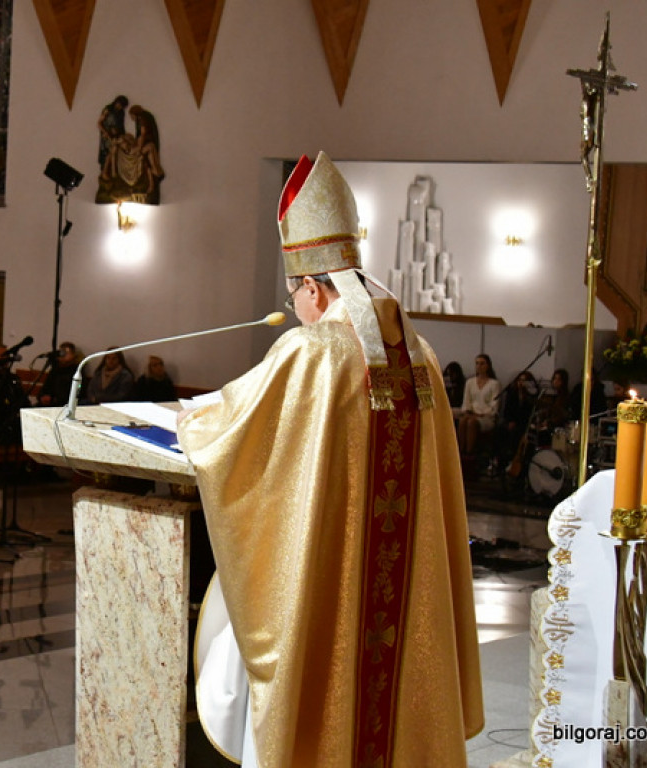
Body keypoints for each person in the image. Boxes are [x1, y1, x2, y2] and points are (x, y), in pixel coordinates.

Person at [175, 152, 482, 767]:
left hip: (335, 577)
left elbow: (236, 437)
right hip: (394, 589)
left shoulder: (313, 352)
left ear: (313, 285)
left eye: (295, 294)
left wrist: (194, 418)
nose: (296, 306)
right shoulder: (418, 355)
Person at [457, 353, 500, 461]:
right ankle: (460, 452)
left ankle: (469, 453)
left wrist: (480, 414)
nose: (479, 366)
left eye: (482, 363)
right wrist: (468, 411)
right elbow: (466, 401)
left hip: (486, 417)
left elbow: (494, 406)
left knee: (472, 422)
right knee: (463, 421)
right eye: (477, 364)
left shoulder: (494, 384)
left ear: (488, 366)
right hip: (471, 413)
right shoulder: (470, 382)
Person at [38, 342, 79, 407]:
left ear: (73, 355)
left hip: (63, 406)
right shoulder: (55, 369)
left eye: (66, 353)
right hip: (47, 404)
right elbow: (45, 387)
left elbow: (74, 394)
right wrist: (42, 396)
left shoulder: (77, 372)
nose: (62, 356)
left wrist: (54, 399)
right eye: (61, 352)